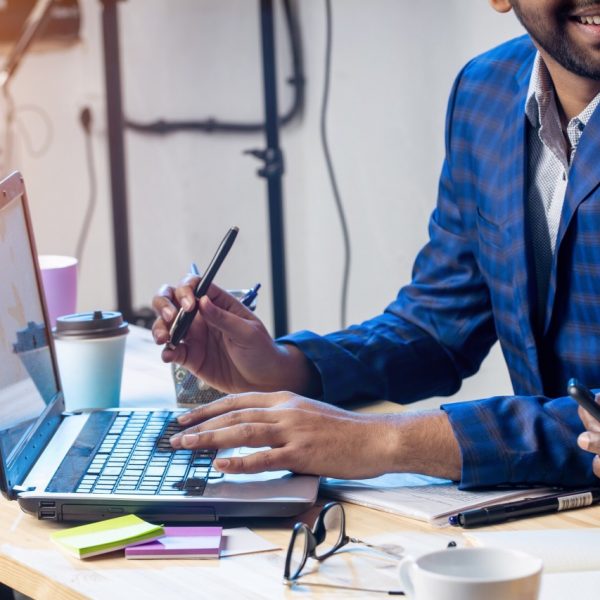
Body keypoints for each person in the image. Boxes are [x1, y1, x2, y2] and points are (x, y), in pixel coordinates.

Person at [152, 0, 600, 489]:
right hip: (545, 514)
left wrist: (384, 441)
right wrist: (283, 369)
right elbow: (438, 327)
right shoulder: (484, 91)